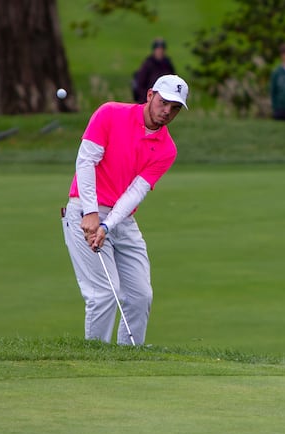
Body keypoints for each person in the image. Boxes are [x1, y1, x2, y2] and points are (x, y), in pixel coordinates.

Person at [62, 74, 189, 345]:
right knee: (104, 293)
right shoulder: (109, 114)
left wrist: (108, 225)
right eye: (164, 102)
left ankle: (129, 358)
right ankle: (96, 359)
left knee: (141, 295)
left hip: (121, 220)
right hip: (83, 210)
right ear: (150, 95)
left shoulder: (167, 149)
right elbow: (86, 162)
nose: (167, 111)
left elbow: (135, 192)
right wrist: (90, 212)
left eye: (175, 107)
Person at [132, 38, 176, 103]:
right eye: (158, 49)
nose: (160, 51)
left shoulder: (167, 64)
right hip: (149, 99)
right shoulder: (148, 64)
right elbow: (140, 84)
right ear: (154, 50)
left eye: (162, 49)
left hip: (165, 99)